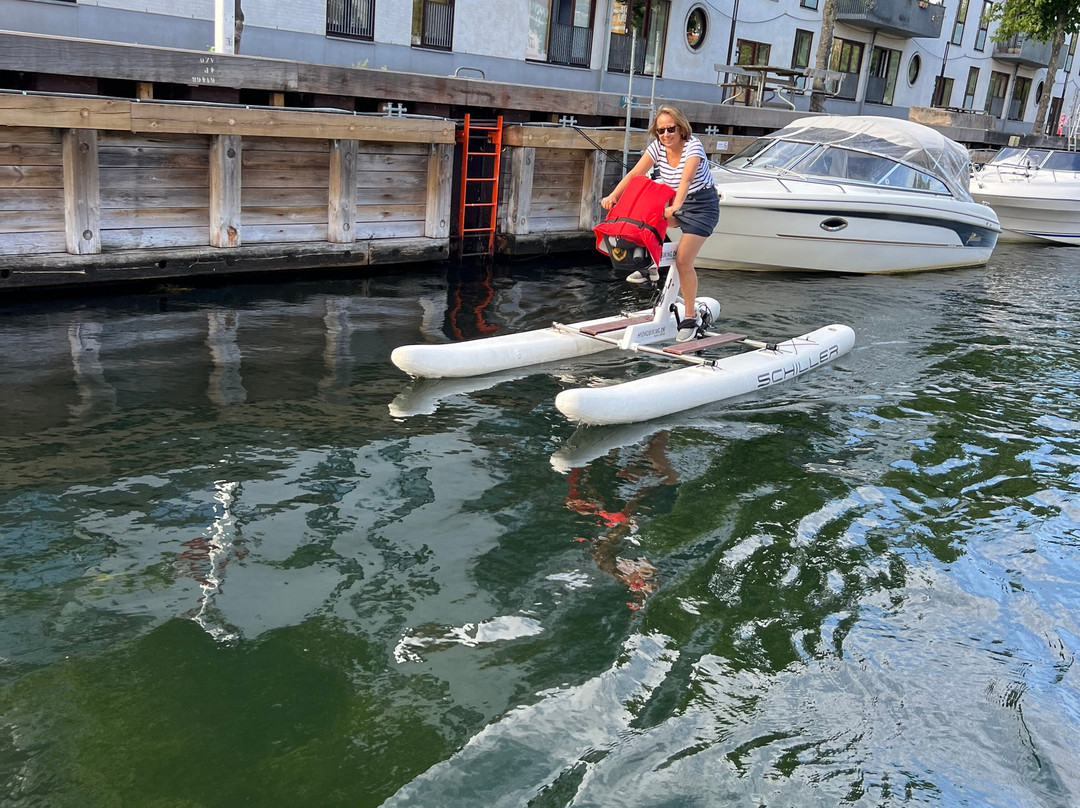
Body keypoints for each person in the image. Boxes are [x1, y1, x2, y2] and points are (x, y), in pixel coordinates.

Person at [601, 106, 719, 342]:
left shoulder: (693, 146)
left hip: (701, 206)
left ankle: (689, 317)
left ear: (681, 128)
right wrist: (614, 195)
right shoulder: (657, 147)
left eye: (670, 129)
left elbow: (685, 180)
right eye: (660, 130)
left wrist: (675, 205)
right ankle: (648, 267)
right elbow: (636, 173)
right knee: (638, 220)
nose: (665, 134)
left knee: (683, 260)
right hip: (675, 202)